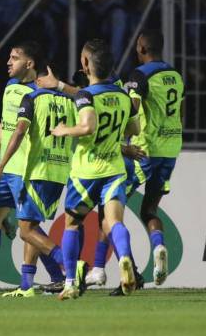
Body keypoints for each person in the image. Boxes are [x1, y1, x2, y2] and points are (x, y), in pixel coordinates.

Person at [0, 42, 65, 293]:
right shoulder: (11, 87)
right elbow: (6, 125)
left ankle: (54, 275)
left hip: (26, 169)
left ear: (30, 63)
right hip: (6, 168)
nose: (8, 62)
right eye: (9, 57)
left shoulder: (41, 92)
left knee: (28, 228)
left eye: (14, 58)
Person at [51, 39, 140, 299]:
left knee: (72, 223)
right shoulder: (123, 95)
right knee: (113, 222)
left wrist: (64, 130)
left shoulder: (86, 95)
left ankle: (70, 282)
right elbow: (134, 130)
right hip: (113, 170)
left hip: (85, 174)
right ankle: (124, 258)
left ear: (85, 64)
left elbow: (87, 126)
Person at [0, 75, 74, 298]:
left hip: (38, 170)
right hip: (59, 173)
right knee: (32, 226)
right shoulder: (69, 101)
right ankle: (26, 285)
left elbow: (19, 131)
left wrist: (1, 165)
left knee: (26, 230)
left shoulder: (32, 98)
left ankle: (70, 267)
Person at [118, 31, 185, 287]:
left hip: (144, 151)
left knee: (111, 206)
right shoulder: (175, 75)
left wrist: (120, 138)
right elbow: (180, 112)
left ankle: (121, 268)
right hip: (170, 150)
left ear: (143, 47)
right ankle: (158, 248)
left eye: (137, 45)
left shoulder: (140, 75)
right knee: (149, 209)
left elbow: (132, 111)